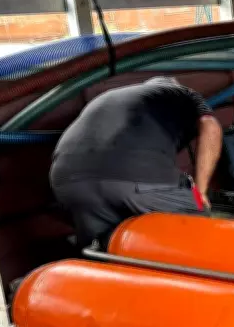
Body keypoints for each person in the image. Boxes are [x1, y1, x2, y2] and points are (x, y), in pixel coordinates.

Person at [50, 76, 222, 247]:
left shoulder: (110, 96)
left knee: (107, 248)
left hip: (67, 182)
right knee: (199, 228)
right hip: (132, 176)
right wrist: (200, 191)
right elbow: (210, 126)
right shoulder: (180, 93)